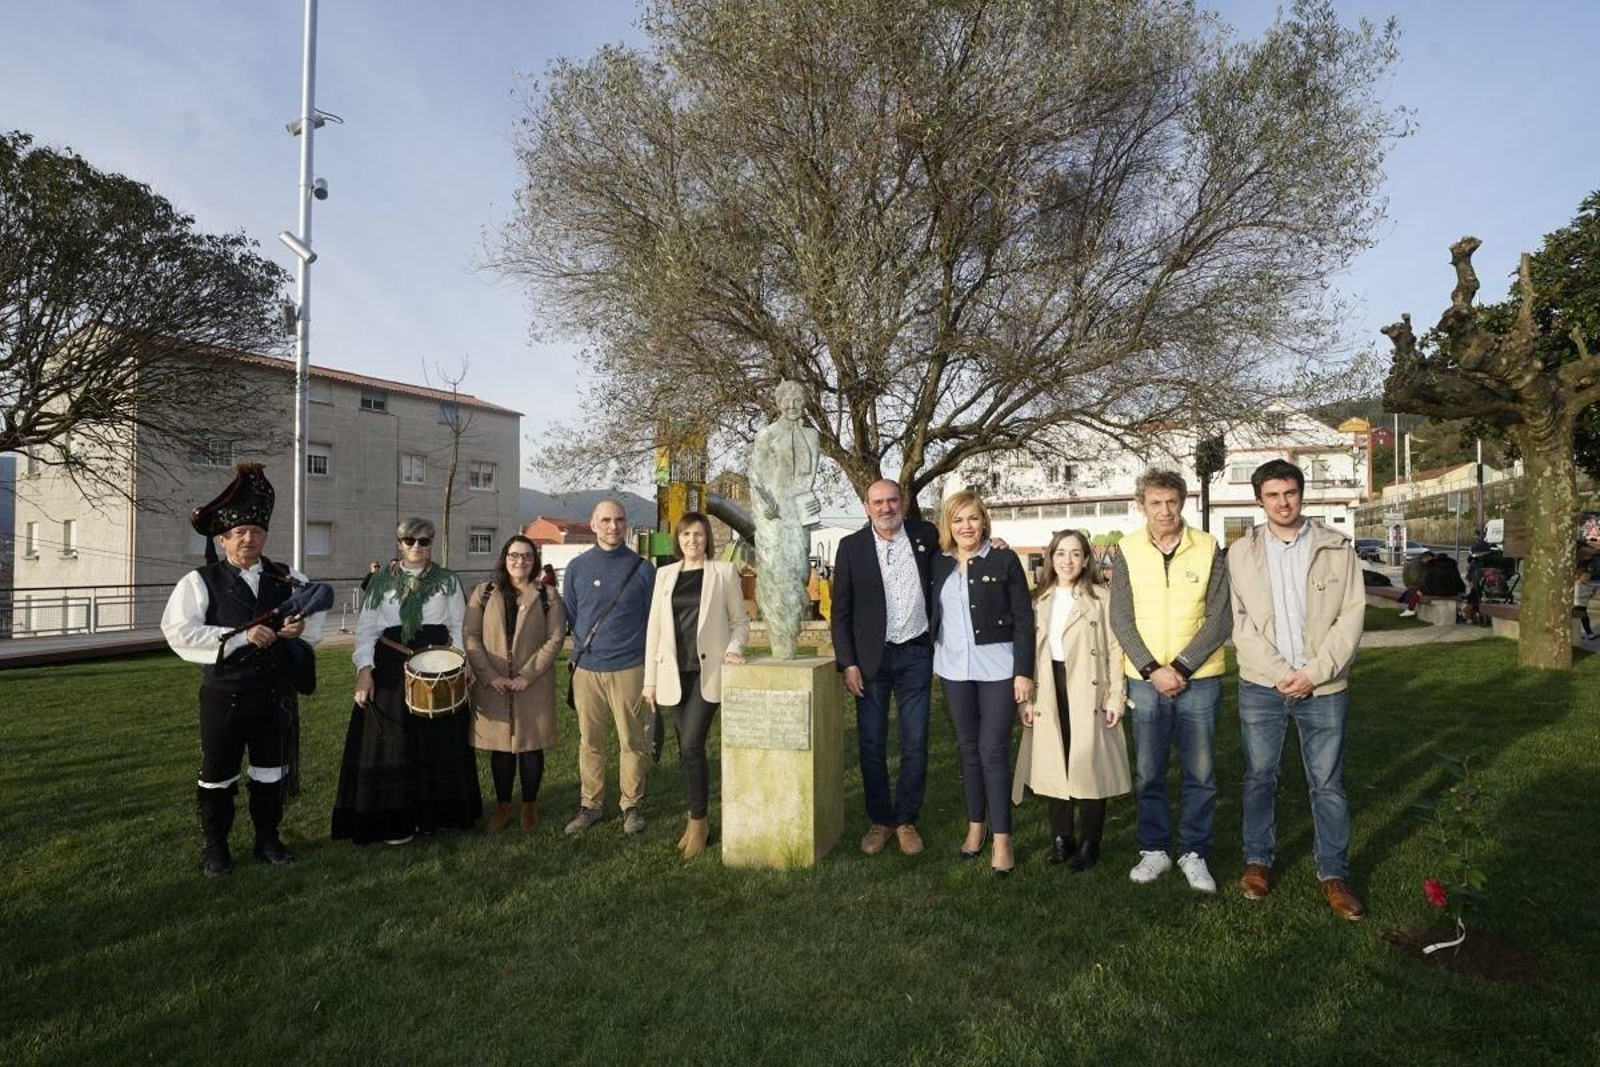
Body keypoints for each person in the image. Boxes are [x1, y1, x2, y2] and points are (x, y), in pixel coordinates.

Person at [161, 463, 326, 876]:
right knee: (218, 775)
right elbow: (179, 631)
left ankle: (267, 840)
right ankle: (215, 848)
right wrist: (240, 638)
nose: (248, 539)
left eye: (255, 531)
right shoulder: (199, 582)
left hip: (274, 695)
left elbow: (315, 625)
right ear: (223, 539)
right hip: (224, 695)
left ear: (265, 535)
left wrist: (299, 628)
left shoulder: (289, 578)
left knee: (271, 771)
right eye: (239, 534)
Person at [1227, 460, 1366, 920]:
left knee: (1327, 784)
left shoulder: (1336, 548)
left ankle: (1333, 873)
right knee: (1259, 777)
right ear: (1259, 500)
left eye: (1290, 493)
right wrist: (1281, 671)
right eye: (1272, 495)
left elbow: (1350, 616)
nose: (1283, 502)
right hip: (1262, 685)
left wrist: (1314, 672)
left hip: (1324, 687)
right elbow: (1240, 622)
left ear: (1301, 495)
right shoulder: (1240, 554)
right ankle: (1258, 861)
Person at [1109, 469, 1231, 893]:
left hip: (1200, 678)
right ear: (1141, 505)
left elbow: (1220, 618)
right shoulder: (1124, 551)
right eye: (1155, 503)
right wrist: (1150, 669)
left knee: (1201, 771)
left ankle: (1194, 851)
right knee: (1149, 771)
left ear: (1183, 502)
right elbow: (1120, 618)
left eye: (1172, 502)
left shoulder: (1209, 547)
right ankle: (1154, 848)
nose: (1164, 511)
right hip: (1144, 681)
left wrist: (1179, 668)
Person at [331, 518, 480, 845]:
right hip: (391, 665)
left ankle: (438, 817)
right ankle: (393, 821)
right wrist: (365, 670)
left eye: (424, 541)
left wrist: (460, 663)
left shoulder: (448, 581)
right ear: (398, 543)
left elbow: (458, 626)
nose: (417, 547)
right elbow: (368, 630)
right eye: (410, 540)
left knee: (436, 741)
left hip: (438, 662)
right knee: (394, 742)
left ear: (432, 544)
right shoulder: (380, 582)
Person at [830, 478, 940, 856]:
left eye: (893, 500)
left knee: (915, 743)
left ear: (904, 501)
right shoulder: (850, 548)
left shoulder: (926, 535)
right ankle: (880, 820)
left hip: (916, 655)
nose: (886, 507)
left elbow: (956, 561)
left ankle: (906, 820)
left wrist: (993, 546)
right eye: (878, 502)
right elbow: (839, 613)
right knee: (872, 744)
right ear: (866, 506)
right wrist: (848, 663)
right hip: (871, 661)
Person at [1013, 529, 1131, 872]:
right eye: (1061, 553)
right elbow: (1028, 655)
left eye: (1076, 554)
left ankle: (1091, 841)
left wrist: (1115, 697)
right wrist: (1027, 701)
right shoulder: (1038, 600)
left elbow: (1115, 650)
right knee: (1054, 761)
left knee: (1090, 764)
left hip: (1088, 688)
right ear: (1050, 557)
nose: (1068, 561)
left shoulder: (1101, 598)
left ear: (1086, 559)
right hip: (1048, 686)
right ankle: (1062, 838)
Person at [930, 490, 1034, 876]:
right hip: (954, 669)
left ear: (984, 521)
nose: (966, 527)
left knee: (992, 751)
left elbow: (1024, 619)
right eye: (958, 520)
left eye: (972, 518)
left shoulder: (1004, 560)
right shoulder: (937, 563)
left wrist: (1024, 672)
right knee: (968, 750)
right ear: (948, 525)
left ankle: (1003, 837)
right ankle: (977, 826)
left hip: (999, 669)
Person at [642, 512, 750, 858]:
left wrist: (733, 650)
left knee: (690, 745)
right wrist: (649, 682)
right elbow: (654, 633)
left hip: (709, 673)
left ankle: (699, 821)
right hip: (673, 675)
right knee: (688, 750)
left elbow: (739, 623)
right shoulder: (664, 576)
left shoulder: (723, 573)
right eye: (687, 534)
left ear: (708, 539)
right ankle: (696, 819)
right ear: (678, 539)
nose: (693, 540)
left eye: (699, 534)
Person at [562, 497, 656, 835]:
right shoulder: (577, 568)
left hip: (630, 667)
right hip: (587, 668)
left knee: (632, 741)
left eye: (619, 519)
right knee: (590, 742)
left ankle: (632, 805)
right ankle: (591, 805)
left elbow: (653, 620)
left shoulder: (643, 569)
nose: (613, 526)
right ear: (593, 524)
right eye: (606, 520)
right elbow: (572, 614)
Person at [464, 535, 567, 833]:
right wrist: (488, 675)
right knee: (500, 749)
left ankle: (529, 807)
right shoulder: (484, 593)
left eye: (526, 556)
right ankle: (503, 807)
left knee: (531, 746)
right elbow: (471, 636)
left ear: (534, 561)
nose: (520, 561)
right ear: (504, 558)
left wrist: (528, 674)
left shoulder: (547, 595)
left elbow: (555, 638)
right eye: (514, 555)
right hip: (493, 682)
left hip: (532, 684)